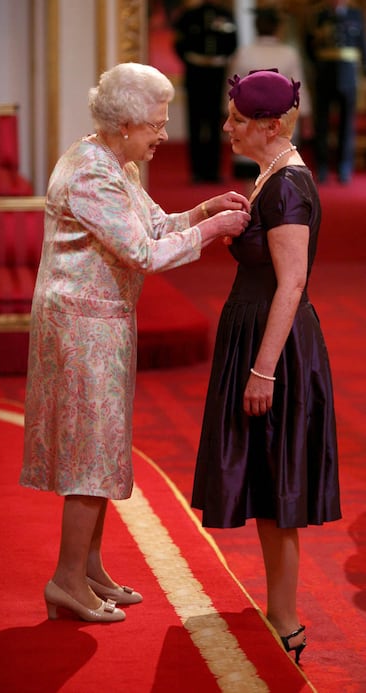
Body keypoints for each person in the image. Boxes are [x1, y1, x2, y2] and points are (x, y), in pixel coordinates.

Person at [19, 62, 250, 624]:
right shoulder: (92, 174)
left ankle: (89, 568)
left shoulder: (115, 162)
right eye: (155, 124)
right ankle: (67, 581)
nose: (163, 135)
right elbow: (143, 254)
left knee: (100, 450)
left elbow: (152, 226)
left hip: (101, 321)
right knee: (87, 456)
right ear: (123, 124)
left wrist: (201, 212)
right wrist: (213, 233)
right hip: (80, 325)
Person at [192, 69, 341, 664]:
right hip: (257, 338)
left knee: (280, 484)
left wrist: (263, 370)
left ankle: (287, 617)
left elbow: (293, 283)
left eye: (236, 119)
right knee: (264, 475)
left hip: (274, 346)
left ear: (270, 126)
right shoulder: (269, 177)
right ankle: (279, 608)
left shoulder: (288, 188)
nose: (225, 126)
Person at [230, 6, 313, 190]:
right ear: (278, 28)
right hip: (281, 124)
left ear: (256, 26)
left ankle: (252, 213)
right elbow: (300, 92)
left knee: (252, 176)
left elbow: (231, 93)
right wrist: (306, 120)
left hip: (250, 123)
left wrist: (229, 118)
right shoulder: (289, 53)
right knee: (280, 170)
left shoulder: (244, 53)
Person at [173, 1, 237, 182]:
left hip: (216, 73)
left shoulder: (225, 15)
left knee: (215, 121)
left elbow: (233, 42)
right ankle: (196, 171)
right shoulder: (189, 16)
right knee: (195, 121)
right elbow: (178, 44)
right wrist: (193, 61)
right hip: (196, 72)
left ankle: (213, 170)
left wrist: (220, 59)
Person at [305, 0, 366, 183]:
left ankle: (344, 166)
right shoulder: (319, 16)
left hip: (348, 75)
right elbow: (310, 45)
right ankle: (322, 166)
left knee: (347, 124)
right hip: (325, 74)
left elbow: (361, 44)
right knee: (321, 123)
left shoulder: (356, 15)